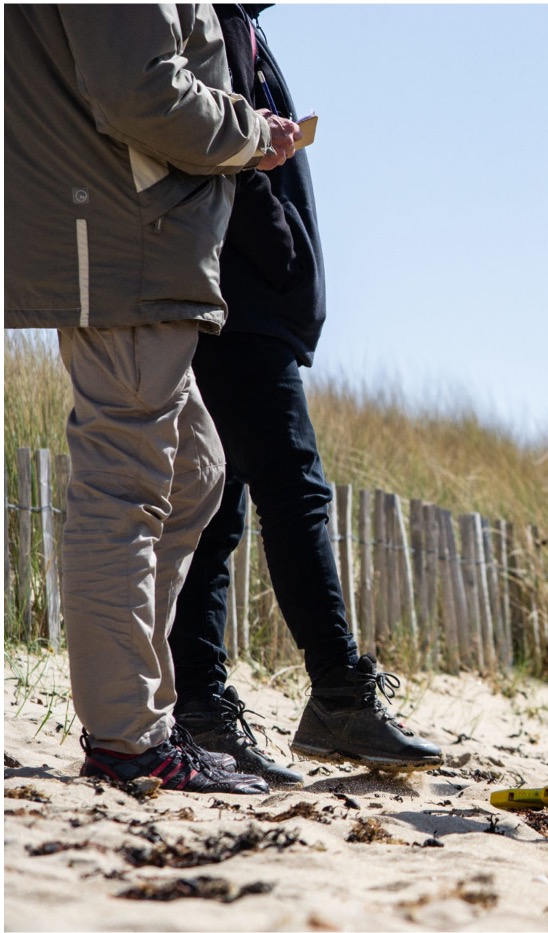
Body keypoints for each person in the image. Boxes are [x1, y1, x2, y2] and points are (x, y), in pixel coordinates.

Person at [4, 4, 299, 794]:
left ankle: (141, 716)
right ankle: (128, 736)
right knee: (129, 479)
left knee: (192, 471)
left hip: (127, 234)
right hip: (117, 233)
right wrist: (251, 135)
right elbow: (138, 91)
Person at [167, 4, 444, 786]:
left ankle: (204, 707)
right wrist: (277, 241)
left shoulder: (244, 27)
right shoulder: (210, 20)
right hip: (237, 298)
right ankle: (334, 694)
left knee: (222, 506)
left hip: (246, 297)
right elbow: (206, 136)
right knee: (292, 489)